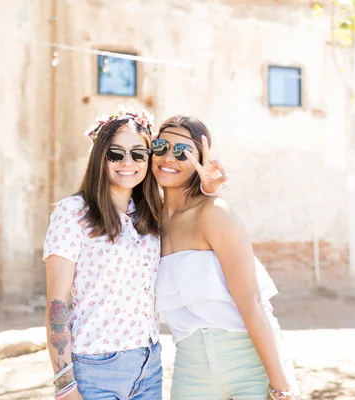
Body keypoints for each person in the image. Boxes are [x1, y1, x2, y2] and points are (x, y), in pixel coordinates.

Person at [43, 106, 226, 400]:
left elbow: (193, 223)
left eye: (138, 154)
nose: (127, 162)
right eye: (115, 154)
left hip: (148, 364)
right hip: (95, 365)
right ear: (99, 158)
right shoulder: (73, 213)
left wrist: (207, 190)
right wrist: (64, 384)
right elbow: (57, 303)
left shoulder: (150, 215)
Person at [152, 115, 301, 400]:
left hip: (249, 359)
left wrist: (280, 385)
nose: (169, 156)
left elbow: (252, 303)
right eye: (161, 146)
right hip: (190, 367)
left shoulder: (214, 213)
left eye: (183, 151)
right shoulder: (147, 223)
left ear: (202, 160)